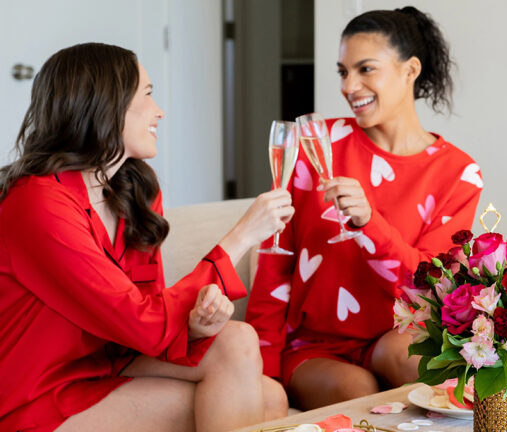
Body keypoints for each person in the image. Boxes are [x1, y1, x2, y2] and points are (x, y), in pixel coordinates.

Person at [0, 43, 294, 432]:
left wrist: (196, 324)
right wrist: (242, 236)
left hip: (109, 360)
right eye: (148, 95)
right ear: (106, 104)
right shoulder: (38, 203)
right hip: (40, 391)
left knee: (249, 357)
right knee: (256, 401)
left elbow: (149, 306)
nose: (160, 111)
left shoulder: (133, 189)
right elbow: (143, 322)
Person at [246, 6, 483, 409]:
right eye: (343, 71)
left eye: (365, 69)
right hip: (316, 347)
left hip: (394, 335)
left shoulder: (457, 173)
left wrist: (370, 223)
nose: (349, 85)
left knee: (433, 378)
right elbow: (276, 260)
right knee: (360, 396)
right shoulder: (317, 143)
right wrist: (260, 372)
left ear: (410, 71)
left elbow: (428, 289)